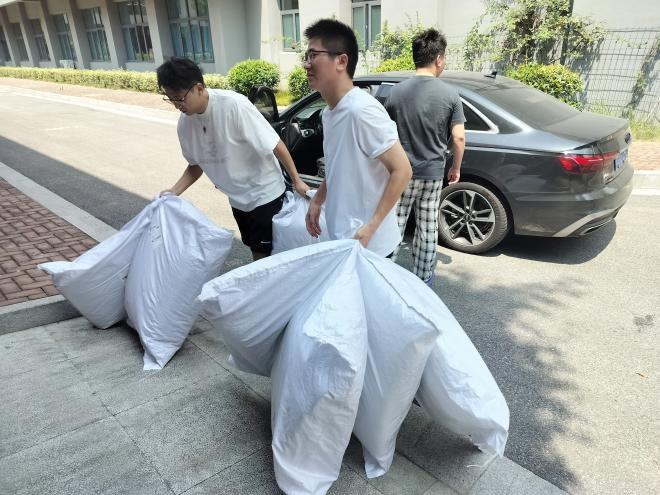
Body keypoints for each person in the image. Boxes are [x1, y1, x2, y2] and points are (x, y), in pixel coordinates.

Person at [156, 57, 309, 260]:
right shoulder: (185, 124)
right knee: (255, 248)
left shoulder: (234, 106)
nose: (176, 105)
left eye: (179, 98)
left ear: (199, 88)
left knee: (264, 256)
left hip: (264, 194)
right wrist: (174, 191)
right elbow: (196, 165)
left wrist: (296, 180)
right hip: (237, 200)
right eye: (170, 99)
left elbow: (275, 144)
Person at [303, 19, 412, 257]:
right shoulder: (328, 113)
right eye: (306, 56)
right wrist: (317, 199)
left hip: (370, 245)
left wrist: (371, 227)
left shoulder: (362, 111)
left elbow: (403, 170)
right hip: (344, 237)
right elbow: (337, 165)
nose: (306, 64)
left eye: (313, 55)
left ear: (341, 61)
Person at [385, 28, 466, 287]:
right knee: (427, 227)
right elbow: (459, 138)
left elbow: (383, 135)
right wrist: (455, 167)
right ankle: (423, 280)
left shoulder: (395, 93)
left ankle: (384, 276)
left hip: (401, 173)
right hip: (432, 174)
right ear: (439, 59)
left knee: (394, 225)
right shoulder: (451, 94)